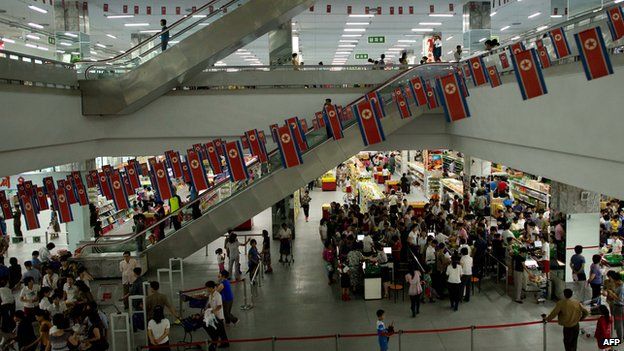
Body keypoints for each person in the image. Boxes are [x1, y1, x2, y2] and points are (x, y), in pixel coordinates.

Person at [205, 281, 229, 348]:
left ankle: (225, 344)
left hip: (219, 316)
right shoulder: (210, 295)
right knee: (220, 331)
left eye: (207, 287)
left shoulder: (217, 295)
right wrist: (207, 308)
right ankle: (225, 343)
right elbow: (210, 304)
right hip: (214, 316)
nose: (206, 289)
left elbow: (219, 306)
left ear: (211, 288)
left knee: (221, 332)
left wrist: (213, 311)